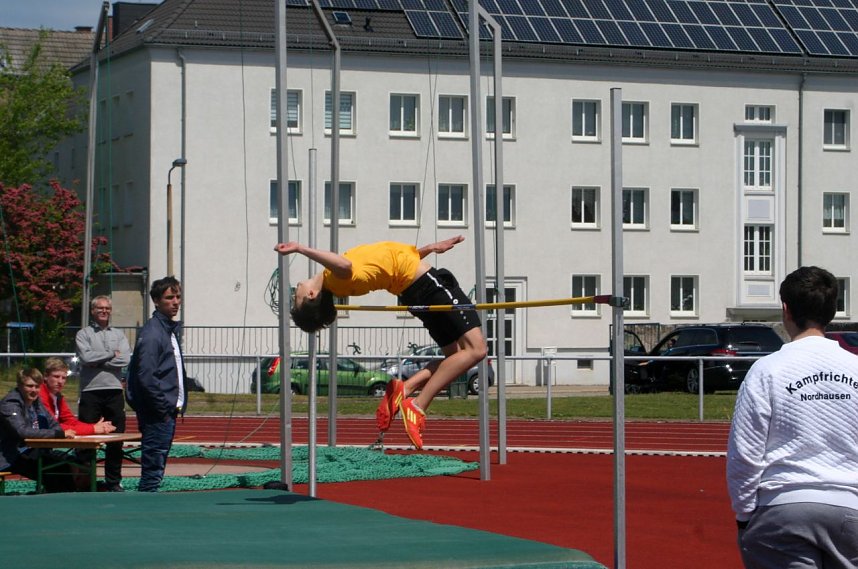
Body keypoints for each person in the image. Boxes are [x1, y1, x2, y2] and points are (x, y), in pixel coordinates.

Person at [274, 236, 487, 450]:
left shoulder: (335, 279)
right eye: (296, 299)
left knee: (455, 357)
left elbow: (392, 262)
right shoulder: (337, 278)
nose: (295, 293)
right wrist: (300, 248)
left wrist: (429, 248)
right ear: (312, 295)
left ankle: (404, 389)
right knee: (477, 349)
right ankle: (418, 405)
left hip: (414, 289)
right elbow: (345, 264)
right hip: (428, 286)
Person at [727, 266, 858, 569]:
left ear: (785, 309)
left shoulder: (767, 370)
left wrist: (745, 515)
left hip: (782, 508)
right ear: (832, 310)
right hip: (850, 509)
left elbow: (744, 453)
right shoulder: (855, 368)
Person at [125, 276, 188, 492]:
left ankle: (149, 499)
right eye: (169, 298)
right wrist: (162, 409)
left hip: (165, 411)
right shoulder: (153, 333)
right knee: (152, 471)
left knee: (156, 469)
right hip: (158, 414)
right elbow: (147, 377)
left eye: (178, 297)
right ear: (156, 301)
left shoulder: (167, 330)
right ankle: (146, 505)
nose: (175, 302)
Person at [75, 295, 131, 491]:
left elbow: (124, 359)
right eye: (100, 308)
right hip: (90, 391)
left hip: (114, 391)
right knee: (86, 440)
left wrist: (98, 361)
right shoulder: (83, 334)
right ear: (93, 311)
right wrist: (110, 355)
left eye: (107, 308)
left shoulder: (119, 335)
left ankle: (113, 482)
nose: (104, 311)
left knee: (116, 439)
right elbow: (86, 357)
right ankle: (84, 481)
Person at [0, 368, 81, 492]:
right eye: (29, 386)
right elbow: (22, 431)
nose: (34, 390)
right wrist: (58, 434)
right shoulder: (10, 404)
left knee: (68, 463)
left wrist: (58, 432)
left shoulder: (36, 402)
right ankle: (60, 499)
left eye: (37, 386)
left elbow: (53, 424)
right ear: (19, 386)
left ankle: (68, 498)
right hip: (11, 456)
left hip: (31, 450)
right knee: (55, 470)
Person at [39, 357, 115, 436]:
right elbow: (53, 427)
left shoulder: (58, 396)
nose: (60, 381)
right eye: (56, 376)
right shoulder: (40, 395)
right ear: (45, 376)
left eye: (64, 378)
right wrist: (93, 429)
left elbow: (70, 421)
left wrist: (94, 427)